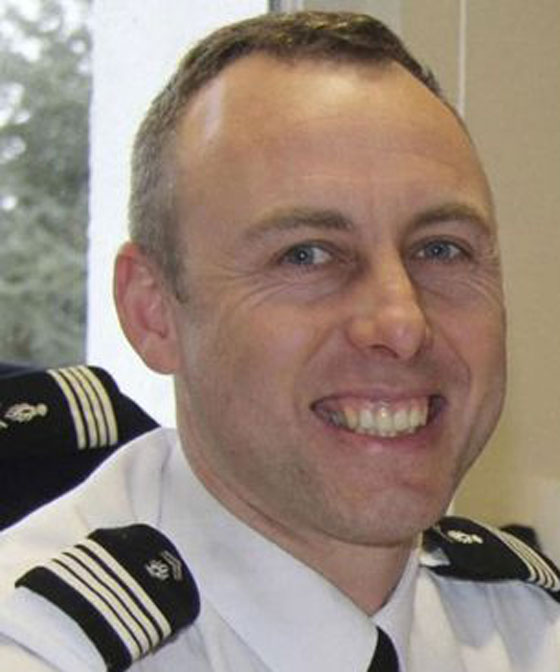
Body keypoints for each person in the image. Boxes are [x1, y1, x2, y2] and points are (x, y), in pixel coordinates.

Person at [0, 10, 558, 671]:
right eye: (307, 255)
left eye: (441, 249)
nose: (402, 324)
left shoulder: (529, 631)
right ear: (153, 313)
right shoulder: (40, 648)